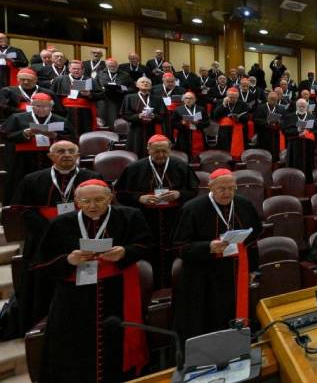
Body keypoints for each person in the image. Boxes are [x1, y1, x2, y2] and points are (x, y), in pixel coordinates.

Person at [34, 179, 152, 382]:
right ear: (76, 201)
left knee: (116, 340)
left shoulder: (130, 216)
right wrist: (68, 260)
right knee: (73, 344)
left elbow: (146, 244)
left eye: (98, 200)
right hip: (73, 296)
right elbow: (40, 264)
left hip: (118, 291)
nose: (92, 206)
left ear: (110, 198)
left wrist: (125, 252)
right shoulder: (60, 223)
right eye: (86, 201)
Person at [11, 141, 101, 337]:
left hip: (83, 237)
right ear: (50, 156)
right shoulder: (32, 179)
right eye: (60, 151)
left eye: (71, 151)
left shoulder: (93, 178)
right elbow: (25, 212)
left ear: (78, 155)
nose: (66, 154)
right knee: (43, 288)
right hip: (43, 242)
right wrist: (53, 231)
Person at [172, 169, 260, 341]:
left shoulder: (244, 205)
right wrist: (208, 247)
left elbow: (253, 241)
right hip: (204, 278)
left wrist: (253, 269)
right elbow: (179, 247)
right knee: (208, 320)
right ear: (210, 187)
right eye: (222, 189)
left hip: (236, 274)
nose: (227, 193)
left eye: (231, 188)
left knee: (235, 315)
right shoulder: (192, 208)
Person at [114, 135, 198, 288]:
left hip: (175, 219)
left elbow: (193, 190)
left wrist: (179, 194)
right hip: (145, 220)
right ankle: (150, 288)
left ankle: (173, 287)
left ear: (170, 149)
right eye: (156, 151)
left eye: (164, 151)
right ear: (148, 150)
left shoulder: (181, 166)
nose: (161, 155)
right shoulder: (134, 168)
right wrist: (140, 198)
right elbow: (120, 195)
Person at [1, 93, 71, 202]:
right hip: (23, 160)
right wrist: (25, 133)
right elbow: (5, 135)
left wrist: (55, 135)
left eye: (45, 106)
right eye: (37, 106)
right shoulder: (17, 118)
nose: (41, 109)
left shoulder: (61, 120)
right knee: (21, 184)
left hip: (51, 158)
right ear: (32, 106)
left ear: (51, 107)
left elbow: (71, 138)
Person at [51, 60, 104, 138]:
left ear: (83, 70)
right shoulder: (60, 79)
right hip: (64, 111)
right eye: (74, 69)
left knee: (84, 133)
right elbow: (52, 94)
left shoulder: (89, 80)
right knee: (66, 131)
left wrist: (89, 94)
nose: (76, 71)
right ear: (69, 69)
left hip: (85, 113)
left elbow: (101, 95)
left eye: (79, 69)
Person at [120, 76, 166, 158]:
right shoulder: (129, 97)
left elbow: (162, 116)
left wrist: (153, 116)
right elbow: (124, 114)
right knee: (135, 154)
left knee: (151, 153)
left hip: (151, 130)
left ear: (151, 86)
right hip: (135, 130)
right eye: (142, 82)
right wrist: (138, 116)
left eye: (147, 82)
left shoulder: (158, 99)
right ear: (137, 85)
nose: (145, 83)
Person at [282, 98, 317, 183]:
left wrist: (307, 132)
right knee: (294, 164)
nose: (301, 108)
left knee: (309, 166)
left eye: (303, 106)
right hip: (294, 146)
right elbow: (285, 131)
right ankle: (295, 183)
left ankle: (308, 184)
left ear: (307, 106)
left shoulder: (311, 116)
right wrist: (297, 131)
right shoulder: (290, 116)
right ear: (296, 106)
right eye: (299, 106)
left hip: (308, 145)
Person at [213, 87, 250, 159]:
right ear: (227, 96)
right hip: (224, 131)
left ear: (237, 97)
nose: (232, 99)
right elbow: (215, 115)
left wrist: (238, 118)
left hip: (238, 129)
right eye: (231, 97)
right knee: (225, 148)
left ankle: (236, 159)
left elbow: (247, 117)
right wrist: (223, 105)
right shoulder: (221, 102)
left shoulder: (242, 104)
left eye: (235, 98)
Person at [96, 58, 133, 128]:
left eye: (114, 66)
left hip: (118, 99)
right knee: (101, 121)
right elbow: (95, 85)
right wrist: (101, 89)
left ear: (117, 65)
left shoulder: (125, 75)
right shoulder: (100, 74)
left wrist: (122, 89)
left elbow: (132, 88)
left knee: (113, 121)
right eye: (110, 66)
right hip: (103, 99)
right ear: (106, 66)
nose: (112, 68)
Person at [172, 91, 209, 159]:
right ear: (183, 99)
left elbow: (207, 123)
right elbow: (173, 123)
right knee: (184, 155)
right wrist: (182, 123)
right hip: (184, 134)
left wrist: (197, 123)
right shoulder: (178, 109)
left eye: (191, 98)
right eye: (186, 98)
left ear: (195, 99)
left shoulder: (201, 109)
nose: (188, 100)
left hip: (198, 133)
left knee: (199, 155)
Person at [253, 91, 286, 160]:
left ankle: (275, 163)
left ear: (277, 99)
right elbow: (256, 119)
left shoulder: (281, 109)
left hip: (276, 134)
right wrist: (267, 122)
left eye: (274, 99)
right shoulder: (260, 108)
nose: (273, 101)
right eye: (271, 99)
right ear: (267, 98)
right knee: (264, 153)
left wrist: (279, 122)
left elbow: (285, 120)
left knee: (275, 153)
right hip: (264, 134)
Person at [152, 72, 186, 139]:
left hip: (174, 114)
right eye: (168, 82)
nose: (170, 83)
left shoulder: (181, 90)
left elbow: (184, 103)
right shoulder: (154, 89)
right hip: (160, 113)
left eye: (172, 82)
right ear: (163, 81)